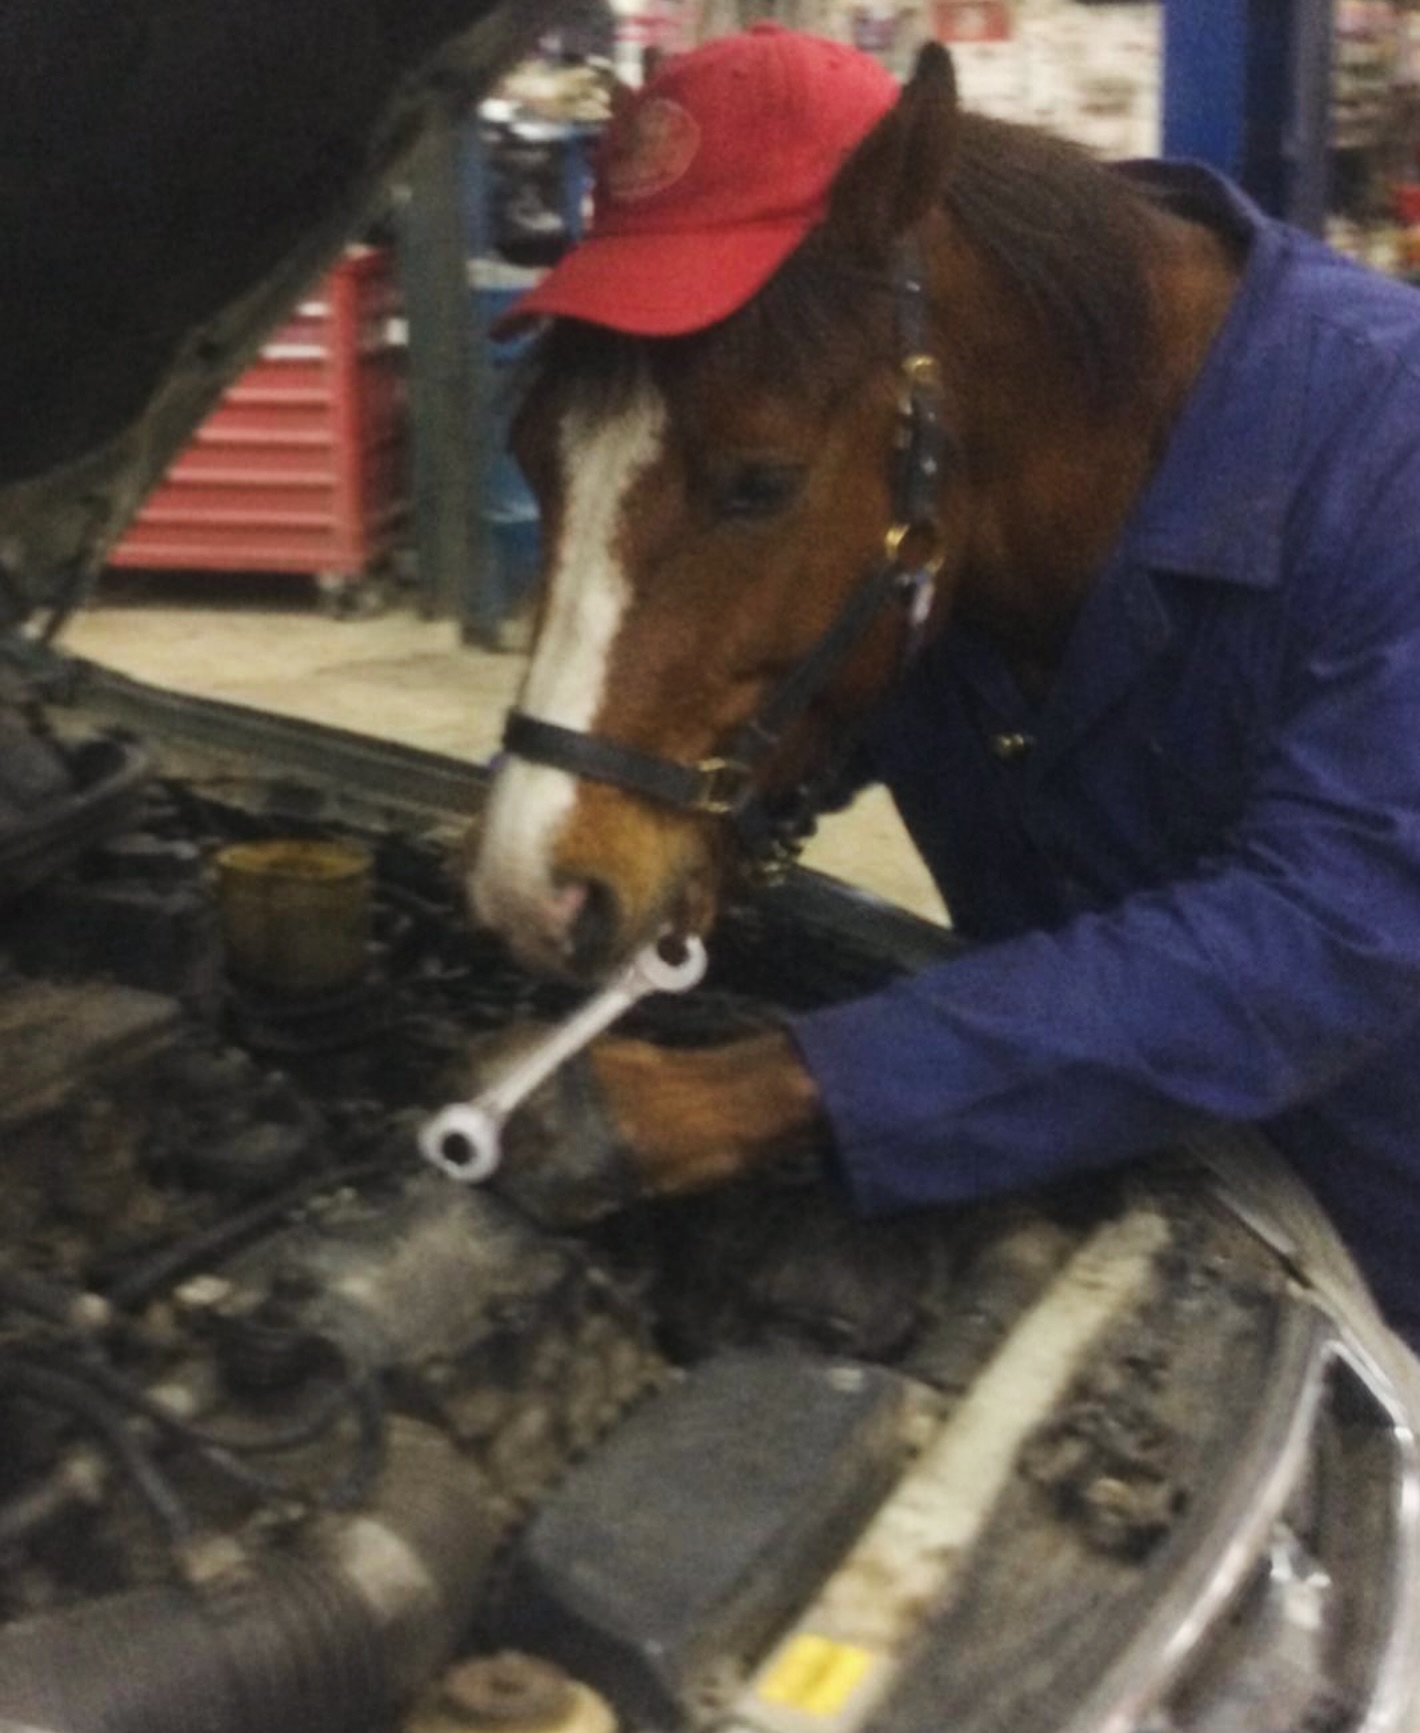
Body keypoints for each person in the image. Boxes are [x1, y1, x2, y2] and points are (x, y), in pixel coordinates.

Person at [475, 26, 1420, 1354]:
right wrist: (689, 814)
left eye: (752, 483)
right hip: (1144, 1203)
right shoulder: (946, 443)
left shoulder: (1387, 450)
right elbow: (808, 636)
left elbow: (1332, 932)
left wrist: (769, 1092)